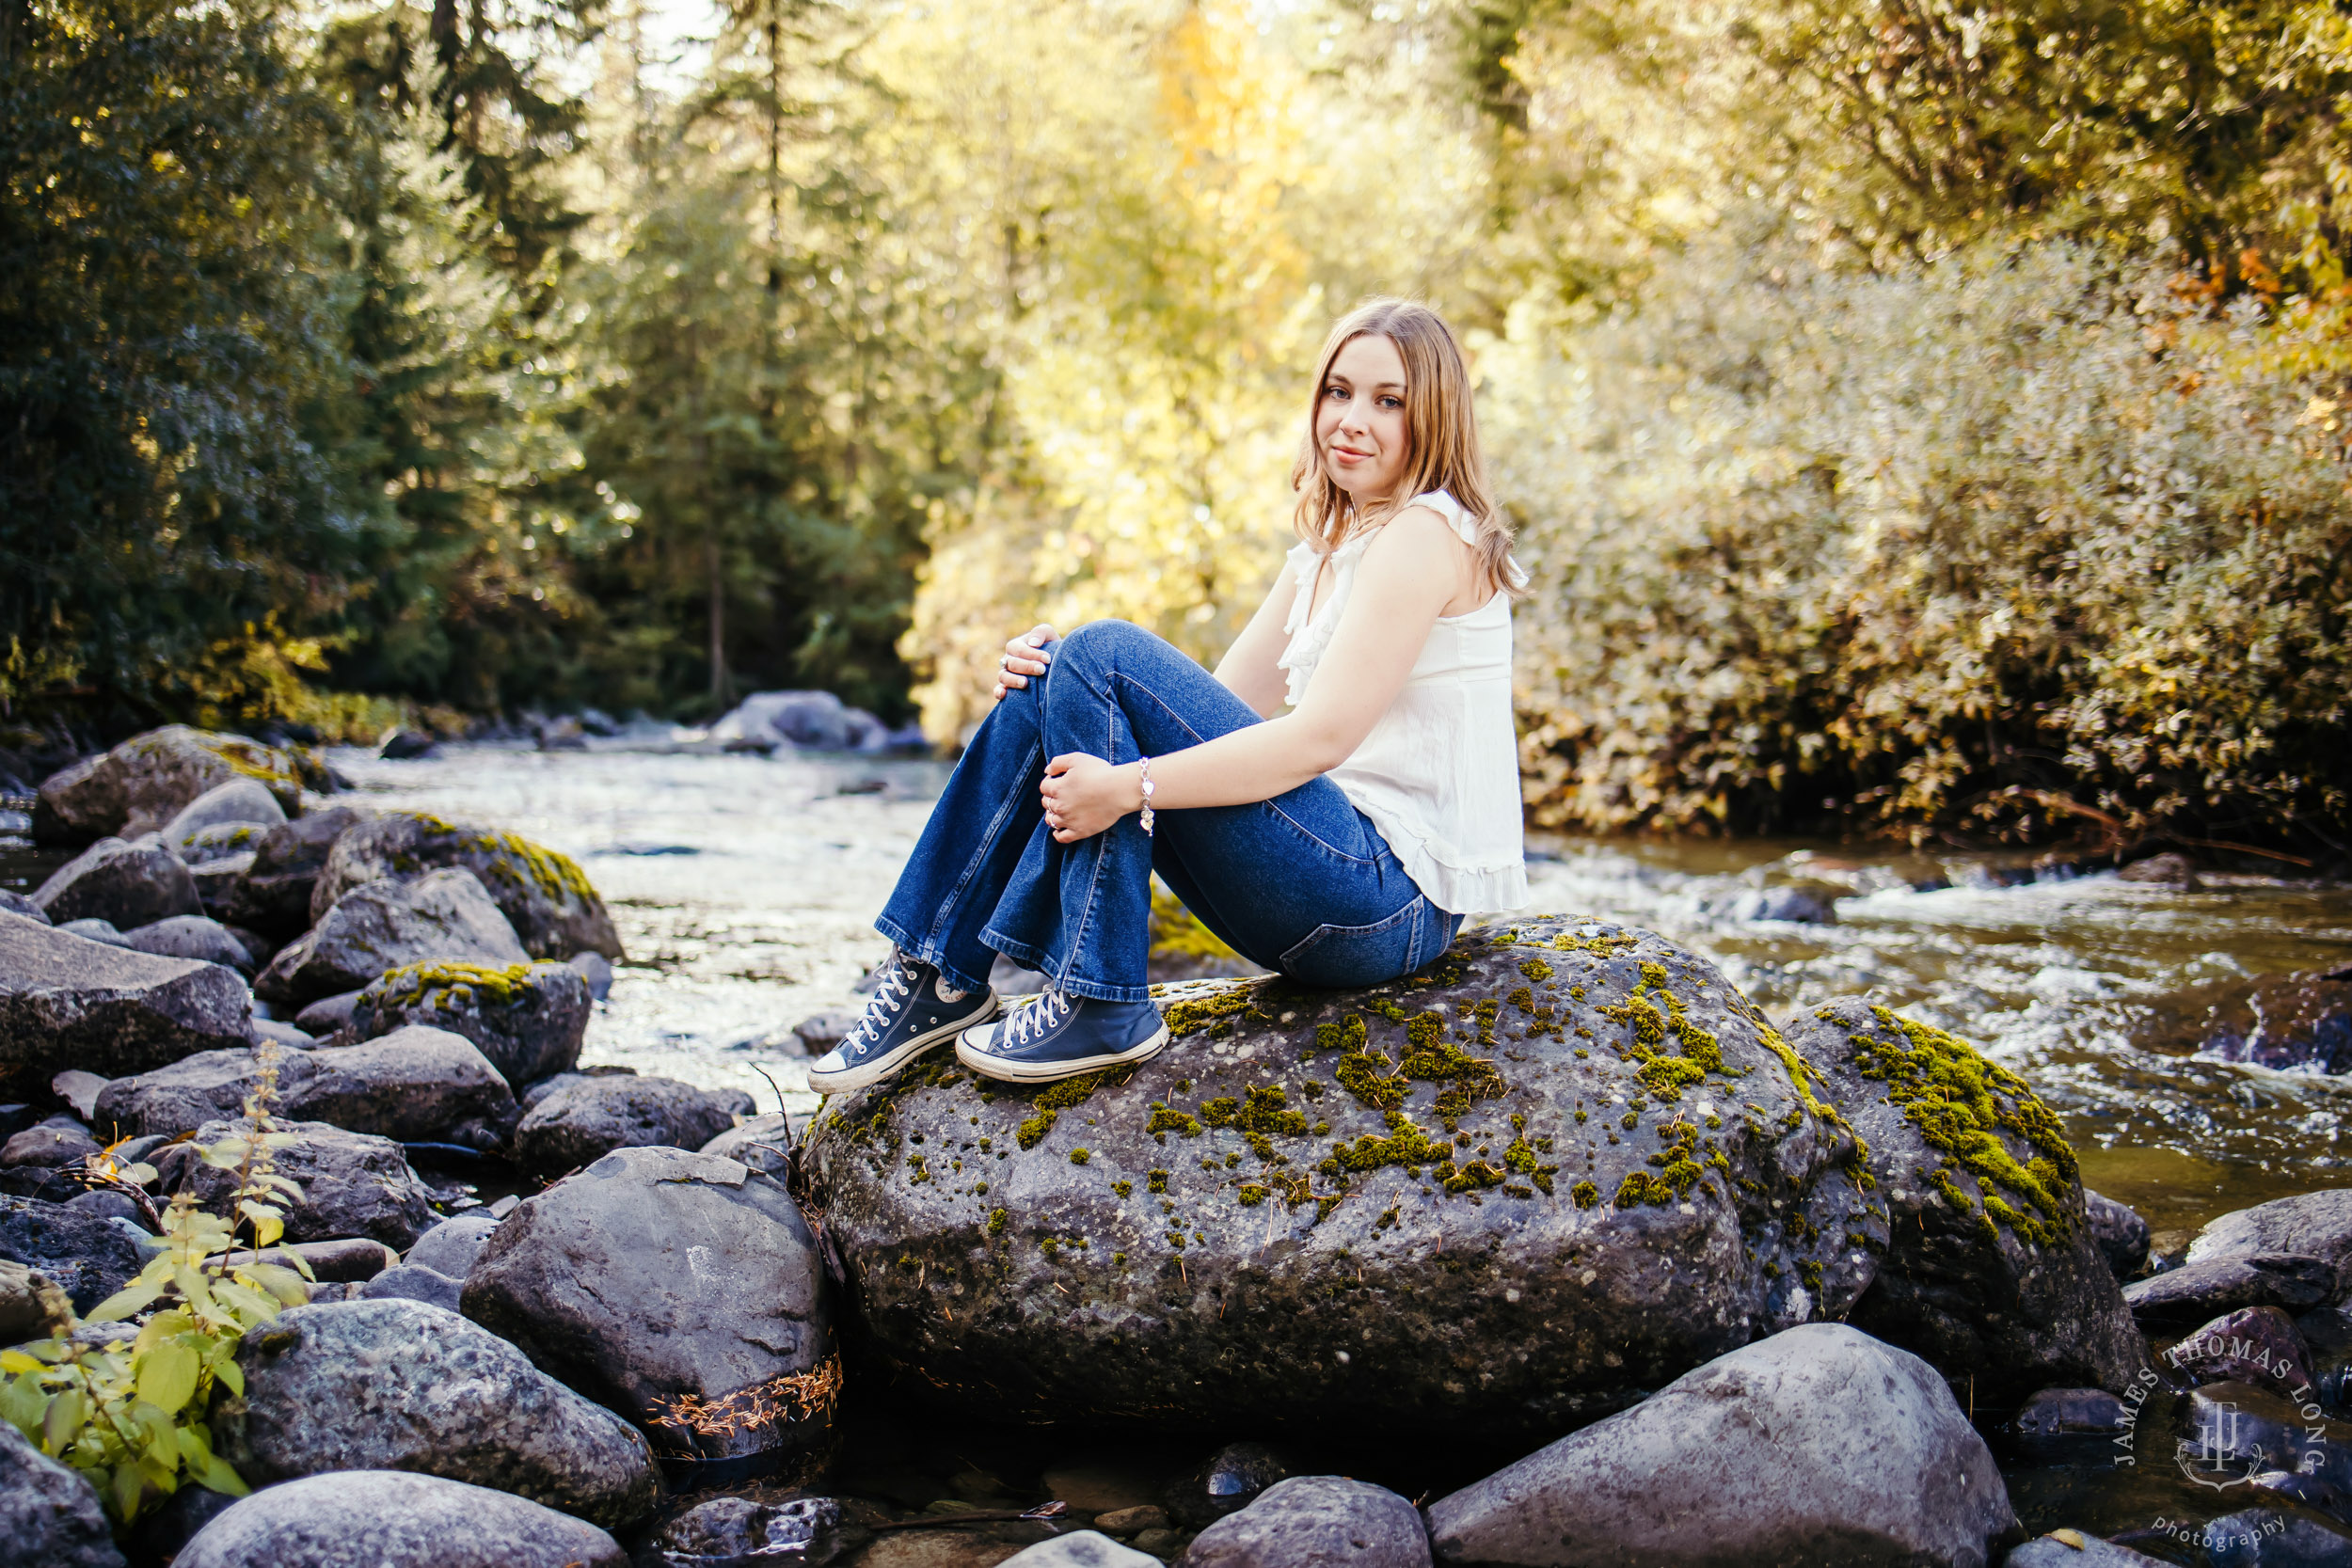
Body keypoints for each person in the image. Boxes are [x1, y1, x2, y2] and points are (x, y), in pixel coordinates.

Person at [809, 298, 1530, 1093]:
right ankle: (937, 973)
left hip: (1385, 905)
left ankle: (1098, 999)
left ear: (1433, 415)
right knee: (1062, 669)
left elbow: (1315, 741)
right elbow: (1209, 711)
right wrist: (1055, 696)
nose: (1351, 419)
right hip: (1326, 887)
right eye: (1338, 391)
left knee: (1102, 654)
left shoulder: (1426, 535)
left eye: (1387, 401)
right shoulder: (1329, 548)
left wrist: (1126, 787)